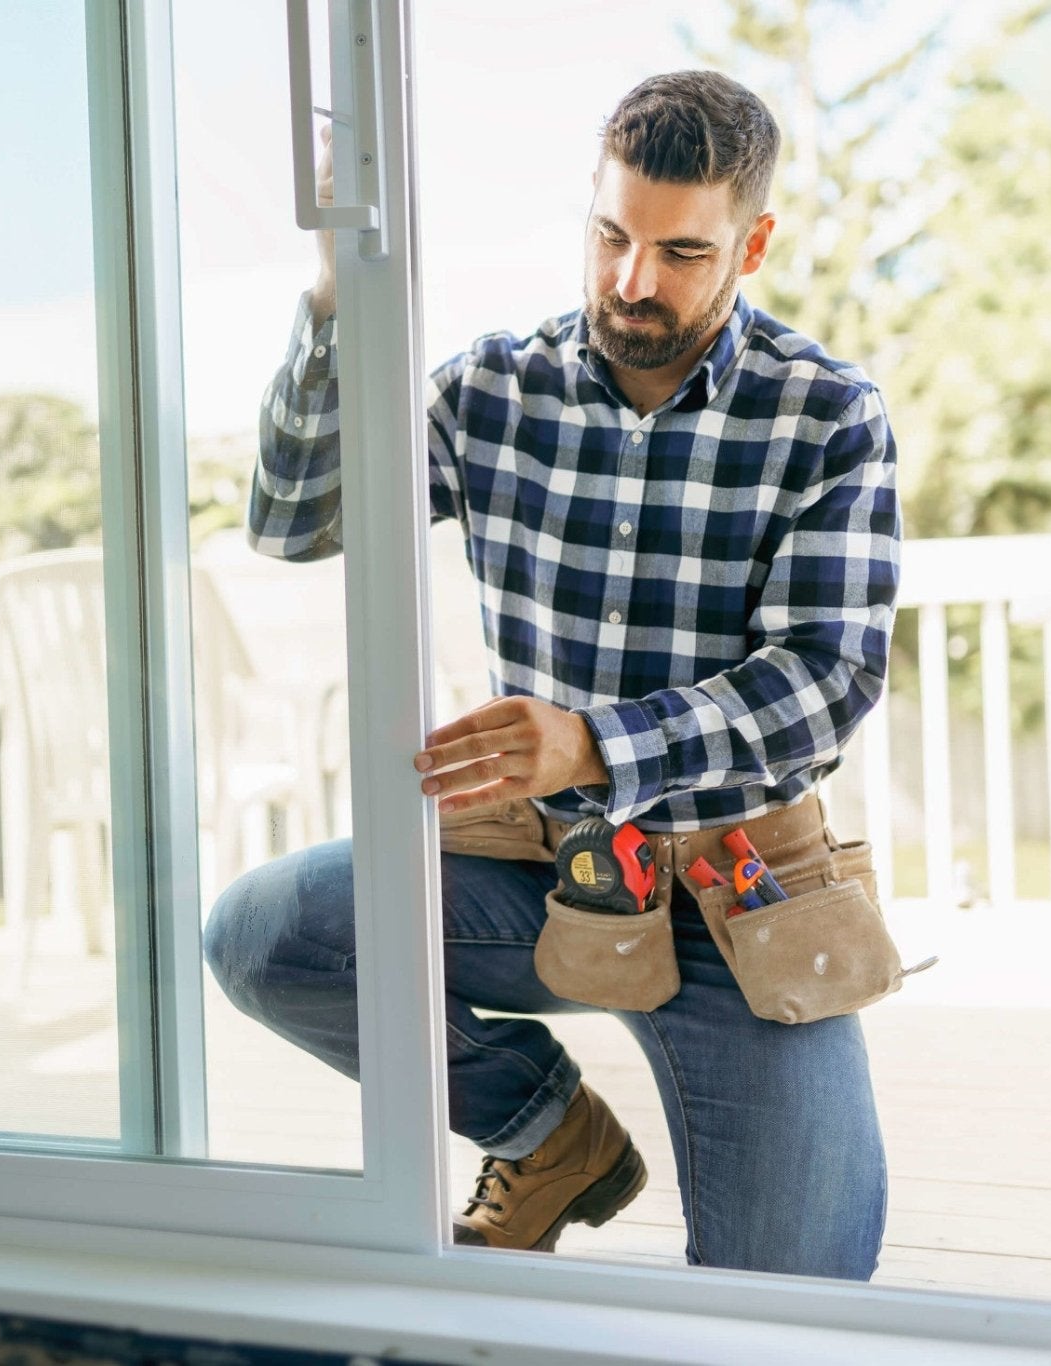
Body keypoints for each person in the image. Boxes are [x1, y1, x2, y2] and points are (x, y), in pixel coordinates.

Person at [203, 69, 899, 1278]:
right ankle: (549, 1133)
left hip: (737, 895)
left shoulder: (826, 415)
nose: (634, 282)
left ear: (754, 242)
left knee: (806, 1286)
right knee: (267, 936)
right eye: (611, 236)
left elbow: (825, 677)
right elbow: (290, 518)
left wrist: (593, 741)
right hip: (546, 878)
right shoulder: (490, 392)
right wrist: (330, 291)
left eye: (681, 252)